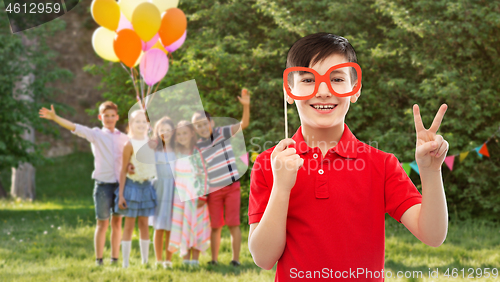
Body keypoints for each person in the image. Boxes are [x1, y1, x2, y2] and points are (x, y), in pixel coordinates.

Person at [248, 33, 449, 281]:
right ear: (289, 91)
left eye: (337, 79)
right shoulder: (270, 164)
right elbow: (263, 258)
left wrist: (430, 172)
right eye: (309, 79)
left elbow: (433, 234)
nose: (323, 91)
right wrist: (281, 187)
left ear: (355, 90)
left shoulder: (382, 164)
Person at [39, 101, 128, 266]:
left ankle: (115, 259)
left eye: (112, 116)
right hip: (103, 186)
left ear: (117, 117)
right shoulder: (95, 134)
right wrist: (55, 117)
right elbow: (74, 127)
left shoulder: (124, 138)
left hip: (120, 187)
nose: (109, 119)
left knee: (117, 223)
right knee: (102, 223)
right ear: (100, 117)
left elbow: (136, 152)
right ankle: (99, 260)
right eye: (106, 116)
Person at [190, 88, 250, 266]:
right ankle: (214, 259)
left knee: (233, 224)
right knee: (215, 226)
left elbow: (243, 124)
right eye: (197, 125)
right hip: (214, 189)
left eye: (203, 123)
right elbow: (199, 171)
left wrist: (246, 107)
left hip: (232, 187)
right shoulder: (198, 146)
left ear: (211, 122)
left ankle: (235, 259)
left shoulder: (221, 133)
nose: (201, 127)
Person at [115, 110, 157, 268]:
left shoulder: (152, 142)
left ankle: (145, 261)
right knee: (129, 224)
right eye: (136, 121)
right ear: (130, 125)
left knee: (144, 224)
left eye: (143, 121)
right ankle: (125, 263)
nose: (140, 124)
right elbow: (123, 170)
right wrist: (120, 195)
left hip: (146, 186)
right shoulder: (129, 144)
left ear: (148, 124)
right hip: (132, 187)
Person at [168, 120, 210, 266]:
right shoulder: (176, 152)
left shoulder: (196, 152)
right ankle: (185, 258)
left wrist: (203, 195)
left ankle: (195, 259)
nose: (182, 136)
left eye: (185, 133)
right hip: (180, 196)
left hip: (195, 195)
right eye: (179, 134)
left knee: (195, 224)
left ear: (192, 133)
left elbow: (203, 174)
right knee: (183, 225)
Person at [149, 116, 176, 269]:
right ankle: (158, 260)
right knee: (159, 226)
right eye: (162, 130)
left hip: (173, 189)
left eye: (168, 130)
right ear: (157, 131)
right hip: (159, 188)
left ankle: (168, 260)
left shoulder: (177, 149)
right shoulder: (154, 148)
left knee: (171, 227)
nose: (165, 133)